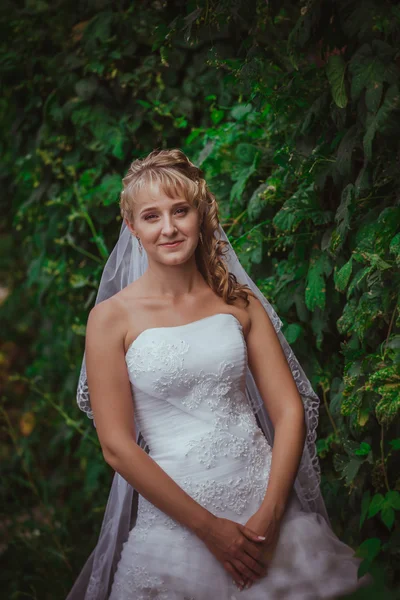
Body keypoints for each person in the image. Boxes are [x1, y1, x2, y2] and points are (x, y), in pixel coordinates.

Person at [67, 149, 371, 599]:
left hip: (267, 514)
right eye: (151, 217)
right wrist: (211, 531)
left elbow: (288, 410)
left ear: (200, 213)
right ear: (132, 228)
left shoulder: (238, 302)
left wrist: (270, 514)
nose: (168, 228)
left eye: (180, 211)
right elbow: (117, 447)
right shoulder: (110, 319)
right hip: (176, 528)